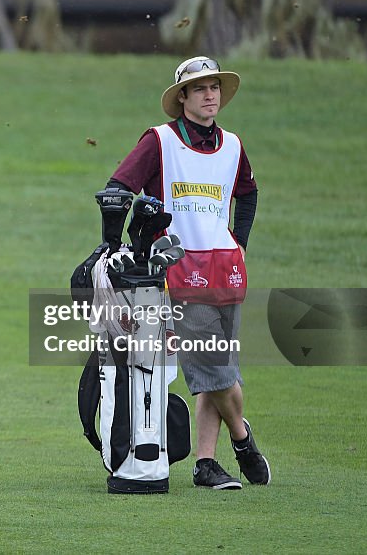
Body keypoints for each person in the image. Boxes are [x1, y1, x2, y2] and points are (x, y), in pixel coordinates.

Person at [101, 56, 270, 490]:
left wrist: (242, 243)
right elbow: (119, 188)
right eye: (199, 88)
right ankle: (243, 438)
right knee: (215, 370)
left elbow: (247, 193)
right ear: (183, 98)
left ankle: (205, 464)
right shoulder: (159, 141)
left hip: (225, 269)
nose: (209, 94)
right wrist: (118, 242)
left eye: (214, 87)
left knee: (219, 369)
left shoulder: (232, 145)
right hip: (177, 272)